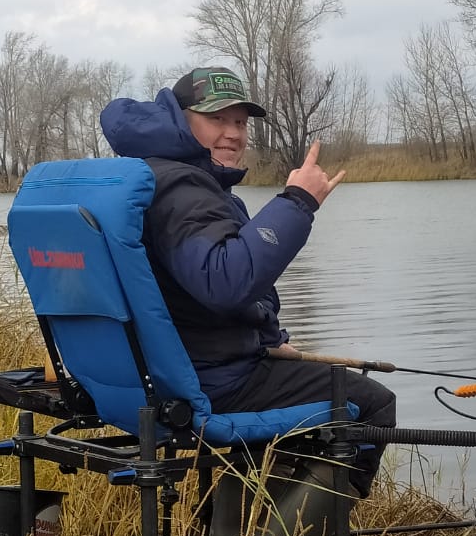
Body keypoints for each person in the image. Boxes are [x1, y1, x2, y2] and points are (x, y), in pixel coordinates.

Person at [99, 66, 396, 502]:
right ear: (181, 118)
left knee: (302, 387)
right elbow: (224, 282)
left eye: (240, 122)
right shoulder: (183, 187)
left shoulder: (152, 173)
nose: (233, 133)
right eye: (216, 119)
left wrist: (267, 342)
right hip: (209, 383)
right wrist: (298, 202)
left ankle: (235, 527)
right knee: (373, 404)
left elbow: (190, 295)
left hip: (170, 370)